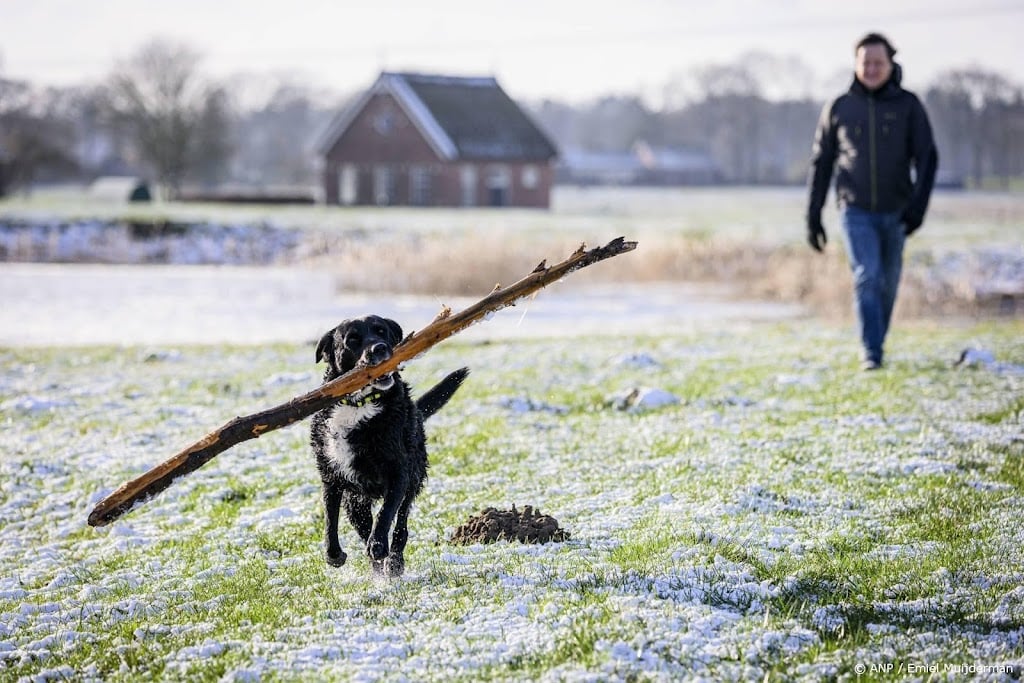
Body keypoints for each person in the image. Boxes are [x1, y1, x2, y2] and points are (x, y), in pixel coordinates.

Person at [806, 32, 938, 370]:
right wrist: (813, 216)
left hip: (897, 210)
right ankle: (872, 353)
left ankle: (876, 343)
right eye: (866, 62)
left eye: (878, 62)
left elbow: (927, 157)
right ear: (856, 64)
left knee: (887, 283)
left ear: (891, 63)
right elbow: (821, 162)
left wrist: (918, 209)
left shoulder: (909, 106)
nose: (872, 68)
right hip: (855, 209)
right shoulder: (839, 107)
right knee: (867, 274)